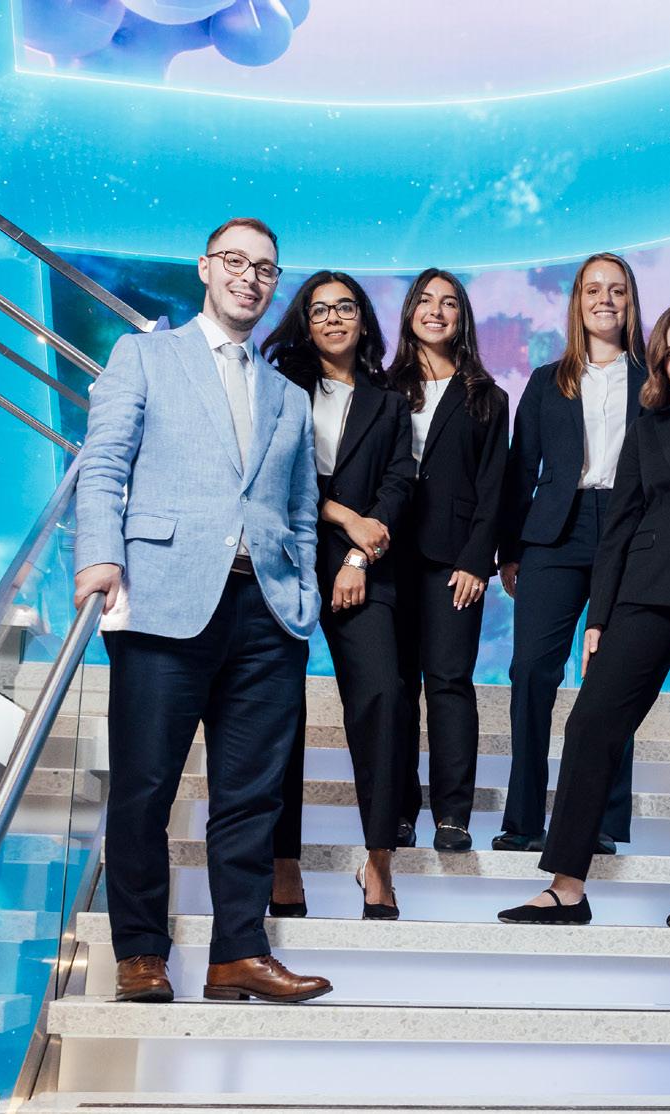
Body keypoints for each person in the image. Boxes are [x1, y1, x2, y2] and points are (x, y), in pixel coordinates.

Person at [71, 218, 332, 1005]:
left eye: (265, 268)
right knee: (144, 787)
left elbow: (301, 506)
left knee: (252, 796)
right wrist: (99, 553)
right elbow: (104, 461)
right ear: (206, 268)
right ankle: (140, 954)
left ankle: (238, 954)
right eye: (236, 262)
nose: (250, 277)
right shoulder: (144, 355)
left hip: (268, 612)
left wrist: (303, 593)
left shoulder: (289, 396)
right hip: (163, 599)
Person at [499, 304, 670, 928]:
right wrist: (598, 616)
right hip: (646, 591)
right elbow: (620, 523)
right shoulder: (648, 428)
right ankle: (567, 887)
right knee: (591, 723)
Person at [262, 271, 417, 920]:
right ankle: (284, 862)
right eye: (319, 309)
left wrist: (358, 551)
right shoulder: (276, 387)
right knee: (278, 708)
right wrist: (343, 516)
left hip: (364, 564)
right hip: (284, 555)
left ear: (363, 319)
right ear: (305, 321)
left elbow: (400, 483)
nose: (332, 318)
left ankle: (378, 860)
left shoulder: (389, 401)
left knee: (382, 694)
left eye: (344, 307)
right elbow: (272, 475)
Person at [492, 253, 648, 853]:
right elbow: (519, 469)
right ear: (577, 303)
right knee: (532, 670)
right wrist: (509, 550)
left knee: (611, 679)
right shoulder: (545, 381)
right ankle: (523, 821)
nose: (605, 300)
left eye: (617, 290)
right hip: (554, 533)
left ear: (631, 302)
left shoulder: (655, 382)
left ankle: (599, 823)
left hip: (630, 533)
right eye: (593, 290)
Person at [389, 268, 509, 855]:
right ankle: (397, 812)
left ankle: (453, 815)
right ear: (410, 310)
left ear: (462, 318)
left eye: (449, 303)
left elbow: (495, 487)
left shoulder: (487, 396)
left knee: (449, 683)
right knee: (394, 687)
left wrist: (477, 560)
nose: (436, 311)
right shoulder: (381, 387)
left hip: (454, 561)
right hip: (387, 555)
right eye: (426, 300)